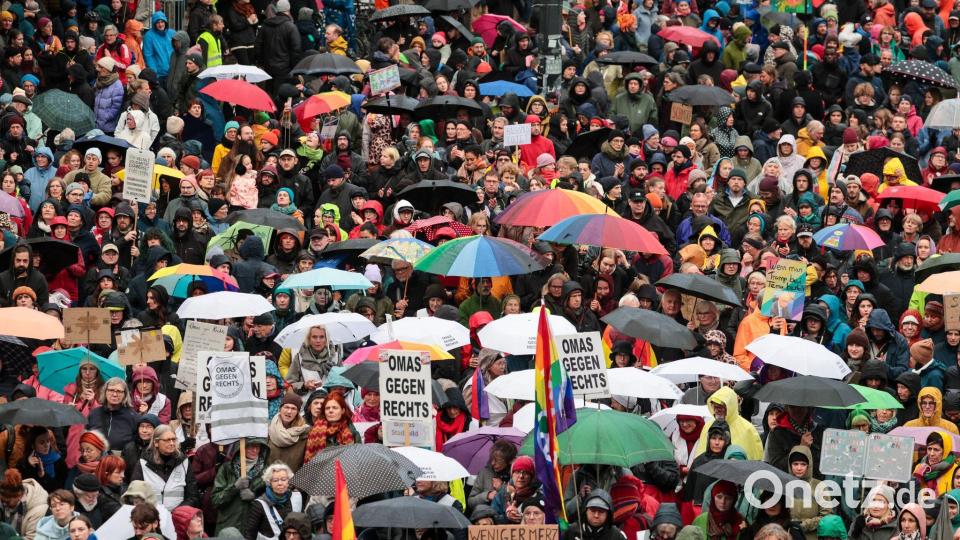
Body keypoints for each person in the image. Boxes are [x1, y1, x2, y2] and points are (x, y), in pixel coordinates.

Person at [243, 463, 303, 540]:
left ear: (288, 481)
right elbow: (249, 534)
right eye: (275, 480)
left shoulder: (297, 497)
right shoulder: (259, 505)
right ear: (269, 483)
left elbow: (302, 527)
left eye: (283, 479)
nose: (280, 483)